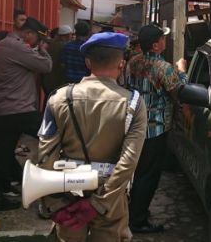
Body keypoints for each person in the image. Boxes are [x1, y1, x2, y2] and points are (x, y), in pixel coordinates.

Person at [38, 32, 148, 242]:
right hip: (111, 198)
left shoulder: (58, 98)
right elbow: (128, 162)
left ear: (88, 62)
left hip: (67, 192)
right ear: (121, 64)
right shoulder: (133, 104)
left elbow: (45, 156)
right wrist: (99, 202)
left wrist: (54, 203)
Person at [126, 23, 188, 233]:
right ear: (155, 45)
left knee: (137, 172)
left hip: (135, 125)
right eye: (162, 38)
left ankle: (134, 210)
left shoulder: (133, 62)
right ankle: (138, 221)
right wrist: (182, 71)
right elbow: (178, 92)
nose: (165, 40)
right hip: (156, 129)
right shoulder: (164, 68)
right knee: (148, 176)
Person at [0, 17, 52, 213]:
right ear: (29, 33)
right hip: (18, 110)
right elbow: (46, 66)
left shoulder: (2, 45)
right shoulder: (17, 47)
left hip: (1, 109)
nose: (36, 43)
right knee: (54, 136)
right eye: (36, 38)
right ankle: (55, 184)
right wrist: (43, 50)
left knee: (2, 152)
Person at [42, 24, 73, 98]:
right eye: (70, 35)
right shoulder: (65, 46)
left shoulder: (50, 44)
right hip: (58, 79)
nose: (71, 37)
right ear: (66, 35)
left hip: (46, 77)